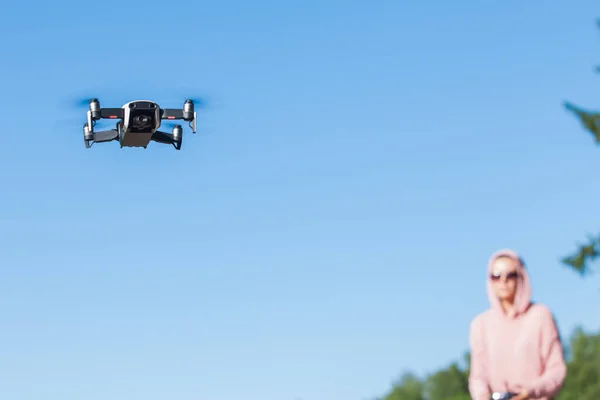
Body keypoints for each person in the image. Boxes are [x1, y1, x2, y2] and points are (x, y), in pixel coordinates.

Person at [468, 249, 567, 400]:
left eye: (510, 275)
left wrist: (531, 391)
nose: (503, 281)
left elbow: (557, 370)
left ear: (521, 277)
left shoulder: (540, 316)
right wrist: (482, 396)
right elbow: (477, 376)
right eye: (496, 276)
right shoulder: (480, 324)